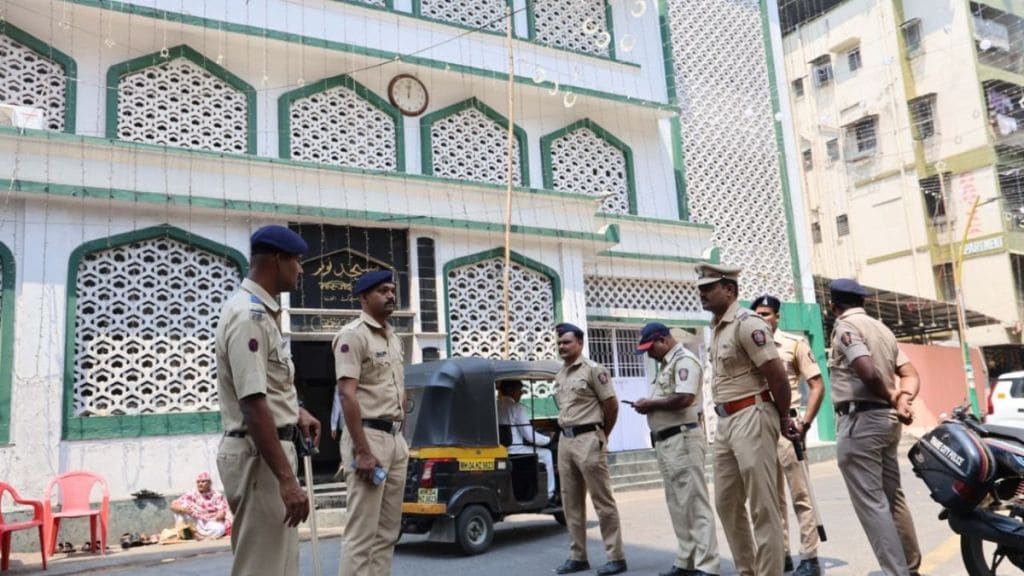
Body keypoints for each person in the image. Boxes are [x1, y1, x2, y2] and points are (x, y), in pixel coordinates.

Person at [215, 224, 321, 576]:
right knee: (262, 569)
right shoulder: (250, 316)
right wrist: (287, 480)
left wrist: (296, 412)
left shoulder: (261, 313)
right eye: (298, 261)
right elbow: (253, 405)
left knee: (279, 567)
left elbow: (265, 389)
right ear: (278, 260)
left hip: (266, 451)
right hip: (260, 456)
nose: (301, 270)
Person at [697, 262, 798, 576]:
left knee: (762, 505)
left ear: (729, 289)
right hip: (726, 421)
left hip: (752, 413)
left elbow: (777, 376)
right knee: (726, 503)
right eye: (700, 288)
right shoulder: (718, 327)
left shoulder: (747, 323)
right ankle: (747, 570)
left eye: (708, 288)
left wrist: (783, 418)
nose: (702, 294)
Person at [828, 278, 922, 576]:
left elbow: (866, 371)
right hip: (886, 421)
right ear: (863, 302)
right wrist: (903, 400)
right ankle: (909, 567)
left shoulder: (846, 327)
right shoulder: (882, 329)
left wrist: (894, 396)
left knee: (872, 504)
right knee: (892, 497)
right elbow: (910, 374)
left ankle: (896, 572)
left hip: (861, 421)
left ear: (833, 306)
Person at [333, 270, 408, 576]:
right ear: (364, 298)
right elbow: (346, 395)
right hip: (367, 438)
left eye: (392, 290)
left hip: (394, 438)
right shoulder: (353, 335)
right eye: (382, 291)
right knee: (362, 534)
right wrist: (362, 451)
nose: (390, 295)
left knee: (387, 533)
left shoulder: (393, 337)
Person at [633, 322, 719, 576]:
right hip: (667, 441)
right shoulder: (666, 365)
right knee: (678, 504)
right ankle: (687, 560)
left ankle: (708, 565)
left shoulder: (684, 360)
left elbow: (685, 398)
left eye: (651, 348)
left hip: (682, 439)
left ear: (663, 340)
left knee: (694, 503)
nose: (649, 353)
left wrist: (651, 404)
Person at [750, 295, 824, 576]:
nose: (762, 319)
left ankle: (809, 557)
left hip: (789, 426)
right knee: (772, 497)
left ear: (778, 317)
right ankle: (782, 555)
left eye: (767, 314)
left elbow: (816, 386)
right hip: (761, 426)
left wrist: (805, 423)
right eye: (757, 314)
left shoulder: (794, 345)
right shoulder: (751, 349)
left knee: (800, 494)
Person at [552, 322, 627, 576]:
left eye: (567, 342)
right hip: (566, 440)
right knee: (570, 502)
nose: (562, 346)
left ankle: (615, 557)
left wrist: (603, 434)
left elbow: (611, 405)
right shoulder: (560, 375)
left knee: (602, 500)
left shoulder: (594, 370)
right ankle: (577, 556)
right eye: (560, 342)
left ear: (580, 343)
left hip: (588, 438)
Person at [496, 380, 557, 504]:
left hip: (500, 450)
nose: (521, 394)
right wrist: (548, 439)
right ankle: (549, 494)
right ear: (510, 390)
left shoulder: (494, 406)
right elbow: (529, 436)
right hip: (515, 451)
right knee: (546, 454)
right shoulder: (515, 407)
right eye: (520, 391)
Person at [170, 472, 233, 540]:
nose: (200, 484)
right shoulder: (192, 494)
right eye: (198, 482)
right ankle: (188, 533)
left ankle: (201, 536)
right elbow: (173, 506)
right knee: (182, 506)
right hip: (196, 521)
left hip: (211, 521)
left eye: (203, 482)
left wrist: (221, 513)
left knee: (220, 529)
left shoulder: (217, 495)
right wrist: (183, 509)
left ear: (209, 483)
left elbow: (223, 509)